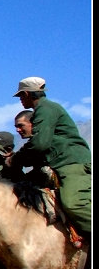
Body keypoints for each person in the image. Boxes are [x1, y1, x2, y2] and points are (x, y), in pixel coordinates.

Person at [7, 76, 91, 247]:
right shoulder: (46, 109)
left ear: (27, 94)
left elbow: (40, 144)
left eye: (21, 96)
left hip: (70, 163)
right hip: (58, 162)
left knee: (73, 204)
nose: (21, 100)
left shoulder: (44, 109)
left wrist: (15, 159)